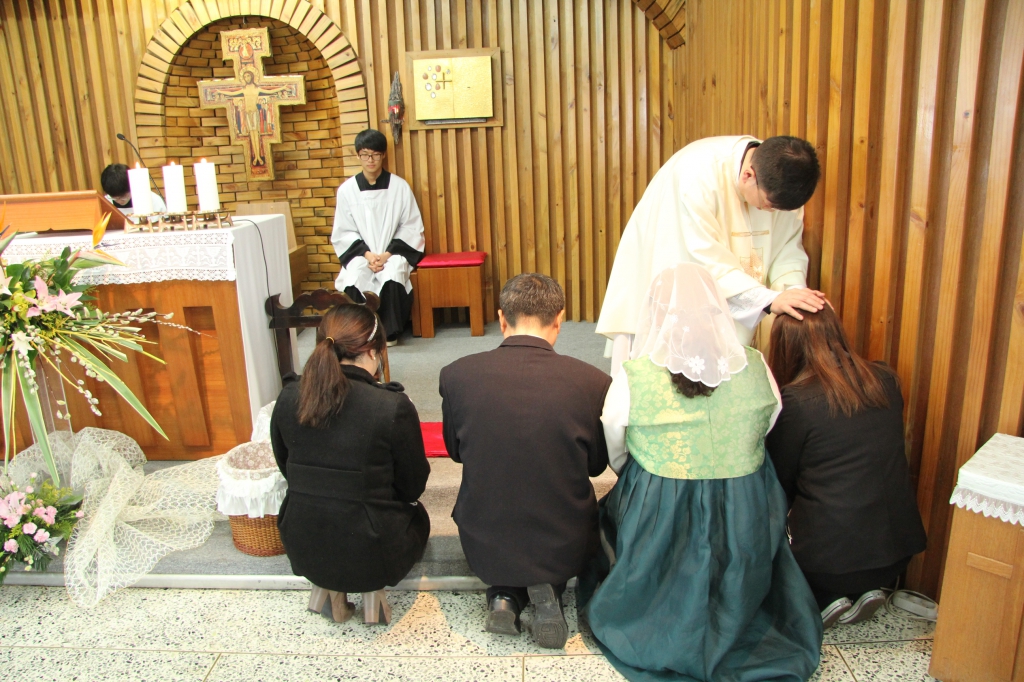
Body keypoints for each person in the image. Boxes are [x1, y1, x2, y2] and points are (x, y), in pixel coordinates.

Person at [582, 263, 822, 682]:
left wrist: (646, 476)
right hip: (745, 502)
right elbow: (766, 425)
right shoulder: (756, 364)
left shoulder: (633, 377)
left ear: (655, 315)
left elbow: (616, 447)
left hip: (663, 501)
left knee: (608, 513)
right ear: (719, 312)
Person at [438, 273, 611, 649]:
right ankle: (548, 594)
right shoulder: (592, 381)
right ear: (559, 320)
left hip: (484, 540)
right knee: (560, 522)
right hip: (564, 543)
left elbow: (454, 451)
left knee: (506, 529)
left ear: (502, 319)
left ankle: (504, 597)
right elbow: (597, 465)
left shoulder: (457, 376)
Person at [597, 135, 827, 372]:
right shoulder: (697, 176)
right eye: (767, 205)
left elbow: (787, 247)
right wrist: (767, 300)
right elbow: (701, 259)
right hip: (674, 258)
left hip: (736, 286)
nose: (770, 213)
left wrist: (794, 291)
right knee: (668, 365)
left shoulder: (785, 181)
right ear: (748, 175)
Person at [270, 297, 430, 626]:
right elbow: (412, 485)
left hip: (302, 542)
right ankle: (370, 598)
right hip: (373, 550)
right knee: (416, 517)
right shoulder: (390, 406)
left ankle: (331, 592)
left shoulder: (288, 397)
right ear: (374, 350)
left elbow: (285, 466)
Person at [765, 304, 927, 628]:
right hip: (897, 554)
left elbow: (780, 483)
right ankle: (862, 590)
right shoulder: (885, 379)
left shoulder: (796, 403)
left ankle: (825, 599)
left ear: (785, 347)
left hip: (830, 563)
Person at [331, 128, 425, 346]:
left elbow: (411, 226)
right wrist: (367, 255)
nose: (370, 160)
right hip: (362, 254)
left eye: (375, 154)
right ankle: (359, 333)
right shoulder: (347, 191)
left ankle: (390, 332)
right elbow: (343, 231)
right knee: (354, 275)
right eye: (365, 154)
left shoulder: (399, 187)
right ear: (358, 156)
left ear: (383, 155)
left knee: (393, 273)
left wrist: (385, 255)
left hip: (391, 252)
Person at [101, 163, 166, 216]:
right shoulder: (105, 204)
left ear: (132, 186)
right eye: (114, 198)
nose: (119, 201)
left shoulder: (153, 201)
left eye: (123, 197)